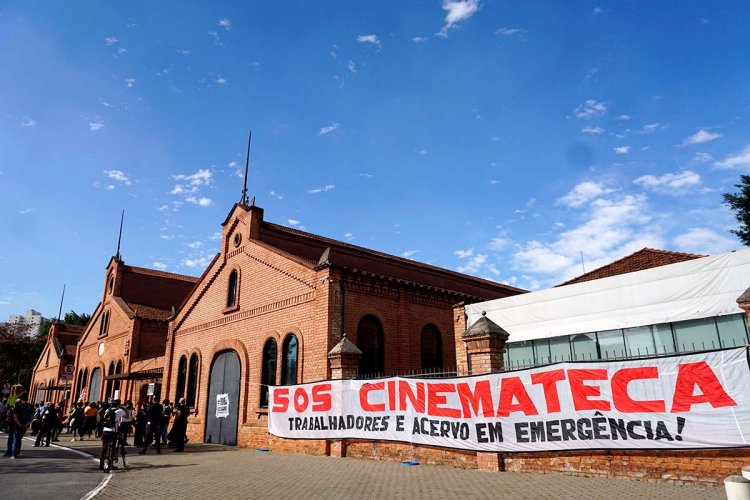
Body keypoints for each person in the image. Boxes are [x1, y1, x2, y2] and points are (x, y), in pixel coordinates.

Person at [4, 391, 34, 459]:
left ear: (21, 398)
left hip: (17, 425)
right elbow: (32, 417)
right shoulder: (31, 406)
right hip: (25, 425)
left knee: (16, 439)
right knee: (19, 439)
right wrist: (27, 424)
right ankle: (17, 452)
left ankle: (14, 454)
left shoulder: (17, 406)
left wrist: (19, 424)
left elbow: (15, 416)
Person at [99, 400, 120, 471]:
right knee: (112, 448)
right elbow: (126, 415)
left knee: (104, 448)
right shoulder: (118, 411)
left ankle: (101, 465)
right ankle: (110, 464)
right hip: (112, 432)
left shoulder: (107, 411)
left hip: (105, 431)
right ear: (118, 406)